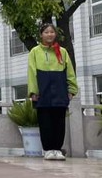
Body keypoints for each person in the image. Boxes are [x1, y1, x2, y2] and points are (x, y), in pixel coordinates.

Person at [27, 23, 78, 161]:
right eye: (46, 32)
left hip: (60, 90)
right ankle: (48, 150)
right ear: (41, 35)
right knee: (45, 122)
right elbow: (31, 73)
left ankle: (57, 149)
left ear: (55, 34)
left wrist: (72, 90)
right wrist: (33, 92)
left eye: (52, 32)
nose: (49, 34)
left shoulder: (63, 52)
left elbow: (70, 72)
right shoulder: (35, 52)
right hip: (42, 92)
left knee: (59, 122)